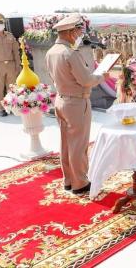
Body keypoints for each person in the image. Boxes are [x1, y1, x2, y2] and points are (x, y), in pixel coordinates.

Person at [45, 14, 108, 194]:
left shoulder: (51, 52)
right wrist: (102, 77)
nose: (79, 34)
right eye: (78, 30)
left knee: (66, 142)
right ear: (71, 32)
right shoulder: (70, 53)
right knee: (78, 145)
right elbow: (86, 80)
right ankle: (80, 183)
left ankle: (69, 180)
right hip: (76, 102)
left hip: (61, 99)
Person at [0, 13, 21, 117]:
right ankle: (1, 109)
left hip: (11, 64)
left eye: (1, 23)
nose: (0, 25)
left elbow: (16, 52)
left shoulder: (10, 36)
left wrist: (17, 65)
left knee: (12, 88)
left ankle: (12, 107)